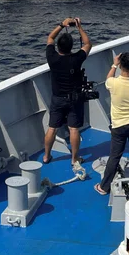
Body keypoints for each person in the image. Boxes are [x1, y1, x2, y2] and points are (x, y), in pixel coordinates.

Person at [95, 52, 129, 196]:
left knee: (115, 156)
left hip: (119, 126)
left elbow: (108, 77)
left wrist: (114, 64)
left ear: (121, 65)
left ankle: (104, 187)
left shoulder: (113, 83)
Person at [44, 17, 92, 167]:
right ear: (71, 47)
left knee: (52, 128)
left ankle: (46, 156)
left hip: (57, 99)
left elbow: (50, 37)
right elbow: (87, 44)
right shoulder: (76, 59)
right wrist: (79, 27)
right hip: (74, 99)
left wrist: (61, 24)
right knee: (73, 128)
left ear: (58, 47)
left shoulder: (52, 58)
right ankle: (74, 158)